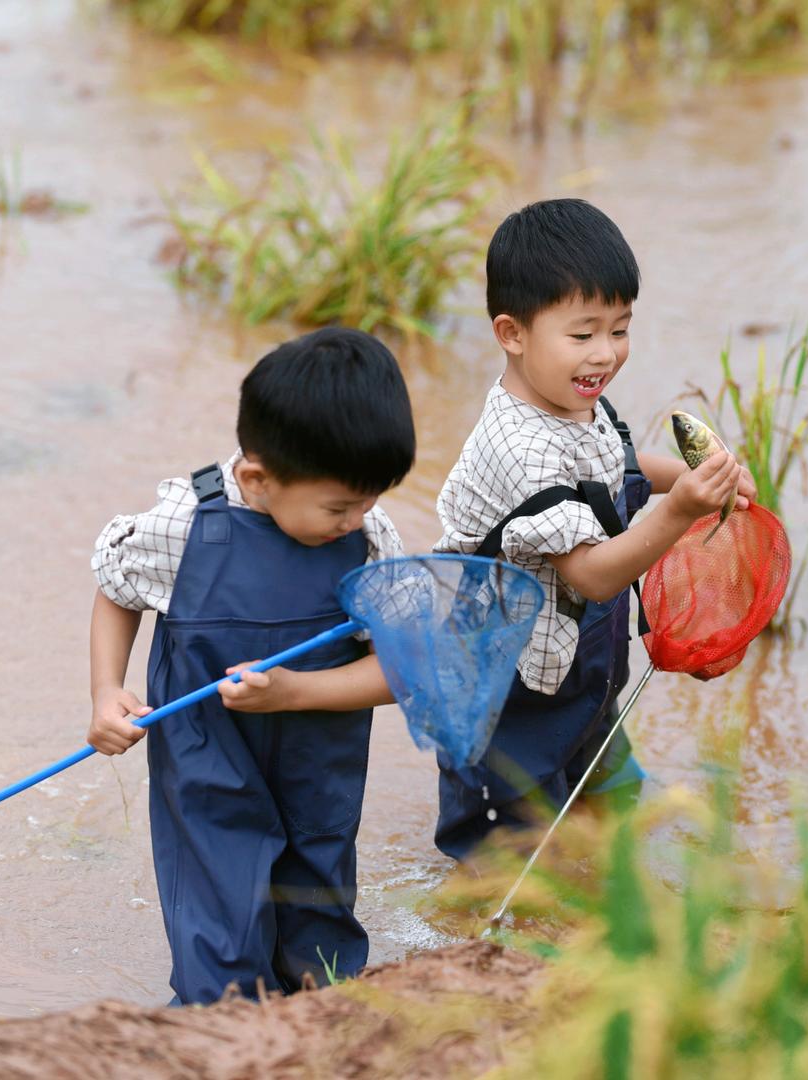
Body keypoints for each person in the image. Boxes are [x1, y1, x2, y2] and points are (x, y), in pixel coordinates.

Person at [87, 326, 414, 1004]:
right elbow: (118, 591)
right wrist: (106, 692)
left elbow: (402, 670)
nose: (357, 519)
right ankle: (216, 1019)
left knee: (319, 917)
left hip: (320, 753)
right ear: (261, 479)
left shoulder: (371, 539)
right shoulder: (183, 520)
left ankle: (323, 1017)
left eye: (371, 500)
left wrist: (297, 692)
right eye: (339, 506)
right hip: (207, 749)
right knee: (221, 907)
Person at [433, 198, 755, 860]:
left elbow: (615, 464)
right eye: (582, 335)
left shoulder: (572, 400)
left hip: (579, 669)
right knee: (510, 851)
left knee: (617, 812)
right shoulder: (518, 449)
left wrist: (691, 477)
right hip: (508, 693)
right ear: (512, 333)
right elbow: (593, 571)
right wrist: (681, 510)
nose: (605, 354)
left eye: (620, 329)